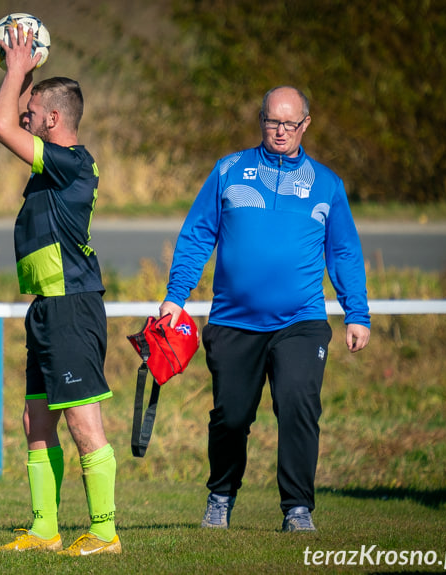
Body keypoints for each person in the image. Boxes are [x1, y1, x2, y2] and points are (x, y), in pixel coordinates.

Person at [160, 86, 371, 533]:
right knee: (231, 417)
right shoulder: (229, 170)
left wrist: (357, 312)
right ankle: (221, 496)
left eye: (290, 123)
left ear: (305, 125)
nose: (280, 130)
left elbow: (345, 253)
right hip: (233, 321)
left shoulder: (327, 184)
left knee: (298, 405)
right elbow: (197, 235)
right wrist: (175, 297)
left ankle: (297, 509)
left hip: (302, 322)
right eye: (272, 121)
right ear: (261, 119)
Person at [0, 24, 120, 556]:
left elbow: (0, 125)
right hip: (46, 308)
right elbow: (14, 117)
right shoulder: (52, 161)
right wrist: (26, 70)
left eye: (35, 110)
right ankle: (45, 529)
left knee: (83, 421)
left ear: (55, 119)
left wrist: (20, 68)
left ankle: (105, 532)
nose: (26, 115)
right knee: (35, 419)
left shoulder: (73, 162)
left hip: (72, 307)